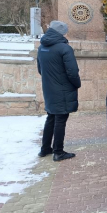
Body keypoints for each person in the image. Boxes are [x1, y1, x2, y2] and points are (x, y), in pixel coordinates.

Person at [37, 21, 81, 161]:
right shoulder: (64, 48)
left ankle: (45, 149)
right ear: (61, 33)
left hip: (49, 88)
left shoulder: (42, 46)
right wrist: (77, 84)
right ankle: (58, 152)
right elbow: (72, 72)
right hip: (62, 89)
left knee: (51, 117)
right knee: (60, 119)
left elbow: (40, 69)